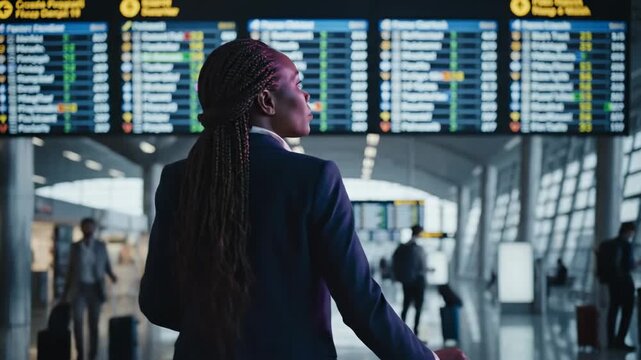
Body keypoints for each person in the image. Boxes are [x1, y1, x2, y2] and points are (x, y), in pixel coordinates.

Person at [139, 39, 439, 359]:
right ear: (266, 101)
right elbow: (359, 302)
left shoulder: (179, 178)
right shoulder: (313, 178)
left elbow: (158, 303)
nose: (306, 95)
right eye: (298, 84)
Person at [61, 217, 117, 360]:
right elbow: (70, 271)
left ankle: (93, 354)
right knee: (78, 322)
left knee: (94, 323)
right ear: (81, 228)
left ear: (94, 229)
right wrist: (64, 294)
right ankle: (80, 352)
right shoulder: (75, 247)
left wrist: (111, 275)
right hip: (78, 289)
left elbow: (106, 264)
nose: (89, 229)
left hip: (95, 289)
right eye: (86, 227)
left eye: (91, 227)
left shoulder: (100, 246)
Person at [597, 222, 637, 351]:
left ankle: (610, 341)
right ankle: (620, 341)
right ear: (629, 231)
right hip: (625, 283)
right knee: (627, 312)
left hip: (612, 283)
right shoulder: (626, 245)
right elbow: (628, 265)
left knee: (613, 311)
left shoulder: (607, 244)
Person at [392, 224, 428, 336]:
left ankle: (404, 328)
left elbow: (395, 262)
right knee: (416, 305)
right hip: (416, 280)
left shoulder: (403, 247)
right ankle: (414, 329)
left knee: (407, 304)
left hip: (408, 280)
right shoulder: (416, 248)